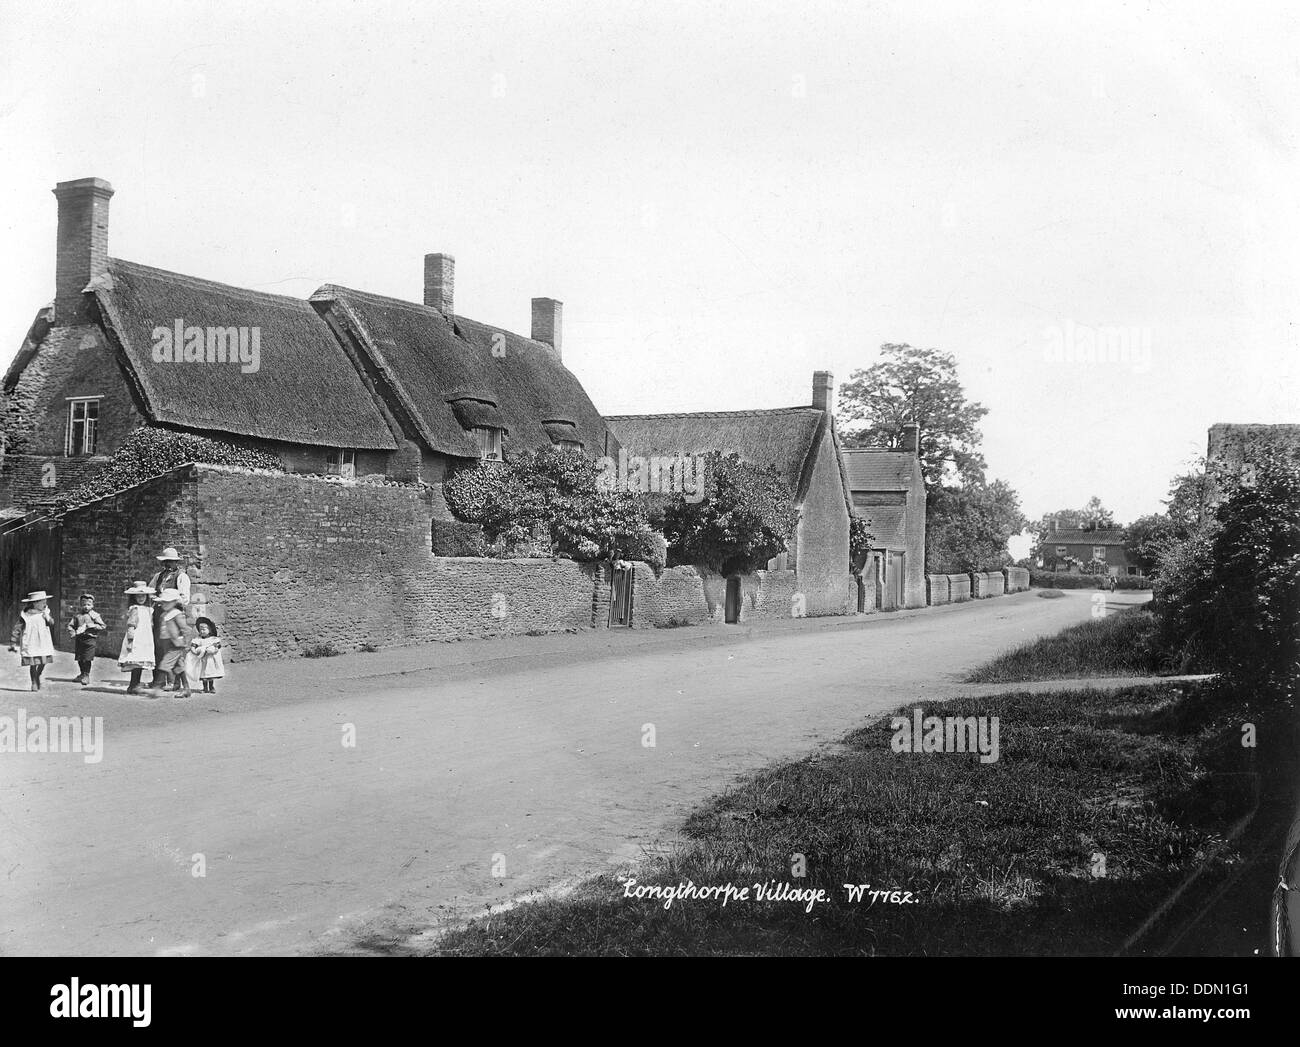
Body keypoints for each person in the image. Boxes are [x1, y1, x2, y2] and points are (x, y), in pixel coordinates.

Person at [148, 547, 191, 686]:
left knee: (172, 649)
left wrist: (169, 600)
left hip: (174, 615)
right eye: (166, 561)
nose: (168, 564)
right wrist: (156, 598)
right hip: (159, 615)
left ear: (176, 562)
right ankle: (158, 681)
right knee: (158, 646)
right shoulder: (158, 576)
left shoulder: (181, 576)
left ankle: (175, 682)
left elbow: (185, 599)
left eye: (171, 561)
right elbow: (150, 591)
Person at [9, 590, 55, 691]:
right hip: (31, 642)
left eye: (45, 602)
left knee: (43, 660)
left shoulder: (45, 613)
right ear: (35, 603)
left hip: (43, 641)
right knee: (33, 662)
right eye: (43, 602)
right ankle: (34, 681)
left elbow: (51, 623)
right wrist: (13, 640)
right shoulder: (26, 615)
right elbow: (17, 628)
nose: (45, 604)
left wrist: (47, 616)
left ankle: (38, 674)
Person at [118, 581, 156, 695]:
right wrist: (130, 639)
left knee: (140, 662)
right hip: (137, 638)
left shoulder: (148, 609)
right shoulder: (134, 609)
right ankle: (133, 685)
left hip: (145, 638)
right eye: (138, 596)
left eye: (143, 595)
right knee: (136, 661)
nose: (141, 598)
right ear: (134, 597)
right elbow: (131, 624)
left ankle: (135, 684)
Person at [154, 588, 192, 698]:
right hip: (167, 644)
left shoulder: (177, 614)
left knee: (165, 664)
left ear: (175, 602)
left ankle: (156, 689)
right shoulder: (164, 615)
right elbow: (163, 630)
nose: (164, 604)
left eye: (167, 601)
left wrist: (186, 643)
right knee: (178, 667)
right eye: (163, 602)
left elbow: (186, 629)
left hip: (175, 645)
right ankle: (186, 688)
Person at [67, 592, 106, 686]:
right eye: (84, 604)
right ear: (81, 605)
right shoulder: (78, 616)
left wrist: (92, 626)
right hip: (80, 639)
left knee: (87, 658)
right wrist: (72, 632)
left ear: (92, 605)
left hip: (90, 639)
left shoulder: (95, 615)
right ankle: (82, 673)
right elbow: (70, 625)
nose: (86, 607)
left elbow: (103, 626)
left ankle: (86, 675)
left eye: (88, 605)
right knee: (80, 658)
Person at [186, 617, 225, 693]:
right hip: (202, 660)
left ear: (209, 630)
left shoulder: (213, 639)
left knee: (210, 673)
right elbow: (193, 647)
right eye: (200, 630)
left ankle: (211, 687)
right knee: (203, 673)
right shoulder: (198, 639)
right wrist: (195, 652)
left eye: (204, 629)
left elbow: (217, 648)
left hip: (210, 660)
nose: (202, 631)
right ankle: (205, 688)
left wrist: (212, 650)